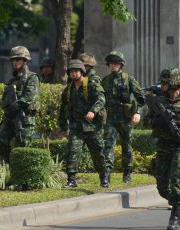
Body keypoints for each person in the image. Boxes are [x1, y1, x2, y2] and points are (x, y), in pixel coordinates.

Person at [147, 68, 180, 230]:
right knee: (162, 187)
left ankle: (176, 213)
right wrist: (156, 121)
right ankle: (179, 201)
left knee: (175, 179)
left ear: (173, 85)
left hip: (179, 146)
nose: (161, 86)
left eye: (164, 83)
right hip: (163, 145)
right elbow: (147, 121)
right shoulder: (159, 101)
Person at [59, 59, 109, 188]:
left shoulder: (91, 83)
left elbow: (101, 98)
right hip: (76, 127)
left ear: (82, 72)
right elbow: (63, 108)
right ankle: (71, 179)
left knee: (97, 153)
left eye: (76, 71)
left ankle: (103, 176)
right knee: (72, 151)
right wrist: (63, 127)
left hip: (93, 127)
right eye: (71, 72)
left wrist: (93, 111)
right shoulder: (68, 90)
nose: (74, 74)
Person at [101, 51, 146, 183]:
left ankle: (127, 172)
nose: (113, 66)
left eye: (116, 63)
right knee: (108, 145)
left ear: (121, 65)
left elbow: (141, 97)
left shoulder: (128, 79)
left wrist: (137, 112)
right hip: (110, 117)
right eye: (111, 64)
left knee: (126, 145)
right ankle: (107, 173)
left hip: (125, 117)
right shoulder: (105, 80)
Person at [0, 46, 40, 164]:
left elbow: (29, 97)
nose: (15, 62)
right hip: (10, 117)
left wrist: (15, 105)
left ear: (25, 60)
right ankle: (13, 166)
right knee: (1, 141)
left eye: (18, 59)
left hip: (24, 118)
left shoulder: (32, 77)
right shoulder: (12, 80)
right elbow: (5, 99)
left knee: (21, 148)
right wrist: (7, 106)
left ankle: (20, 177)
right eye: (13, 60)